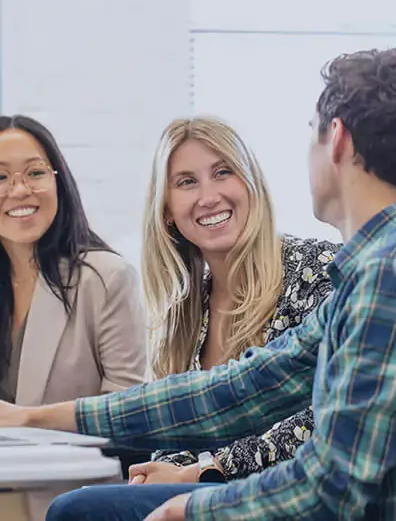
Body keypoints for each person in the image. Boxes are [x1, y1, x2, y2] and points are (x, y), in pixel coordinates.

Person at [0, 48, 396, 520]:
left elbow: (334, 485)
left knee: (79, 512)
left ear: (338, 139)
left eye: (311, 133)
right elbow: (235, 391)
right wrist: (29, 418)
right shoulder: (375, 268)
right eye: (186, 182)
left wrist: (194, 505)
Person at [130, 116, 338, 486]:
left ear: (251, 183)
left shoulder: (319, 270)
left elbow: (327, 417)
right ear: (166, 211)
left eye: (223, 172)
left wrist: (203, 473)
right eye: (187, 182)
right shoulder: (181, 316)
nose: (208, 197)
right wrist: (166, 475)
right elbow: (172, 434)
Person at [0, 115, 146, 411]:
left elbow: (127, 414)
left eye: (35, 173)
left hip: (74, 458)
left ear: (58, 182)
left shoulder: (108, 279)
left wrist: (17, 421)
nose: (20, 190)